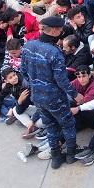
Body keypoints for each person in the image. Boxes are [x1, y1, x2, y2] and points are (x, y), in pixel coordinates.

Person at [20, 16, 80, 169]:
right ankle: (71, 154)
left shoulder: (28, 46)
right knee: (68, 124)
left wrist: (36, 84)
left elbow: (23, 72)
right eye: (60, 30)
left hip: (37, 96)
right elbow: (61, 80)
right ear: (53, 31)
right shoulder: (54, 52)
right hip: (55, 98)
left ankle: (56, 157)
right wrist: (75, 94)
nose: (62, 32)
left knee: (50, 126)